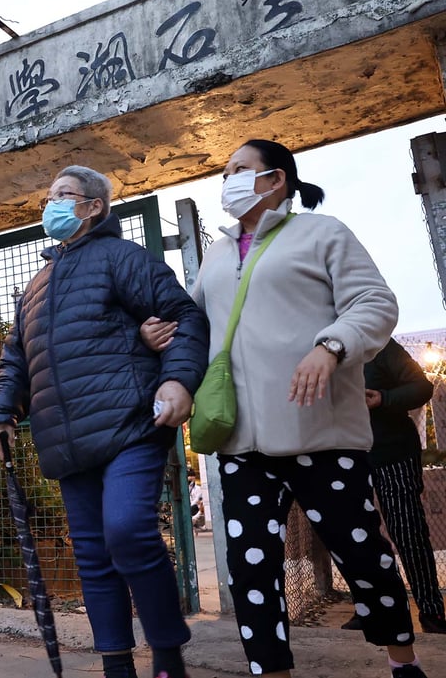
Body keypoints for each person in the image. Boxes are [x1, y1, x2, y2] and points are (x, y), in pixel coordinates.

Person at [142, 139, 427, 678]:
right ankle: (271, 671)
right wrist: (164, 332)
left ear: (276, 180)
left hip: (320, 433)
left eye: (241, 170)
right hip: (240, 442)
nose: (229, 179)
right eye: (226, 171)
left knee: (364, 557)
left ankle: (403, 659)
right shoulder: (219, 255)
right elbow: (197, 323)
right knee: (251, 572)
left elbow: (375, 302)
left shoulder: (323, 233)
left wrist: (331, 346)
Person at [0, 165, 210, 678]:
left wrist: (177, 381)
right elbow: (17, 360)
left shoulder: (122, 259)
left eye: (65, 195)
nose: (52, 204)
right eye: (49, 196)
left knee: (128, 533)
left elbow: (184, 315)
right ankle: (116, 664)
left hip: (130, 424)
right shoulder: (35, 288)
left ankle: (168, 656)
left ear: (94, 207)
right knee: (93, 556)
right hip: (67, 439)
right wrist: (0, 411)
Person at [340, 338, 443, 634]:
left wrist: (382, 398)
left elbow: (421, 387)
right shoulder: (315, 344)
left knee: (408, 533)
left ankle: (431, 612)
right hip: (344, 457)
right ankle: (369, 608)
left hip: (391, 452)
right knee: (356, 537)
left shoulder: (379, 345)